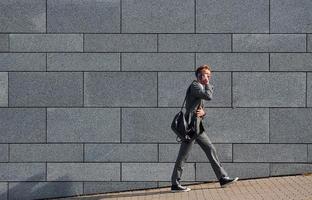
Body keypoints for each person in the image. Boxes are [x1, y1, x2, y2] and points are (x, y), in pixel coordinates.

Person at [171, 64, 239, 192]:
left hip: (197, 128)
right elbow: (208, 96)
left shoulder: (200, 87)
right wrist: (208, 84)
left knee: (210, 149)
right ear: (198, 76)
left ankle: (222, 178)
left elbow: (198, 109)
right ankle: (175, 184)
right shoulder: (195, 85)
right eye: (204, 75)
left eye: (208, 75)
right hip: (191, 128)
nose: (206, 77)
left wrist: (204, 113)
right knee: (183, 156)